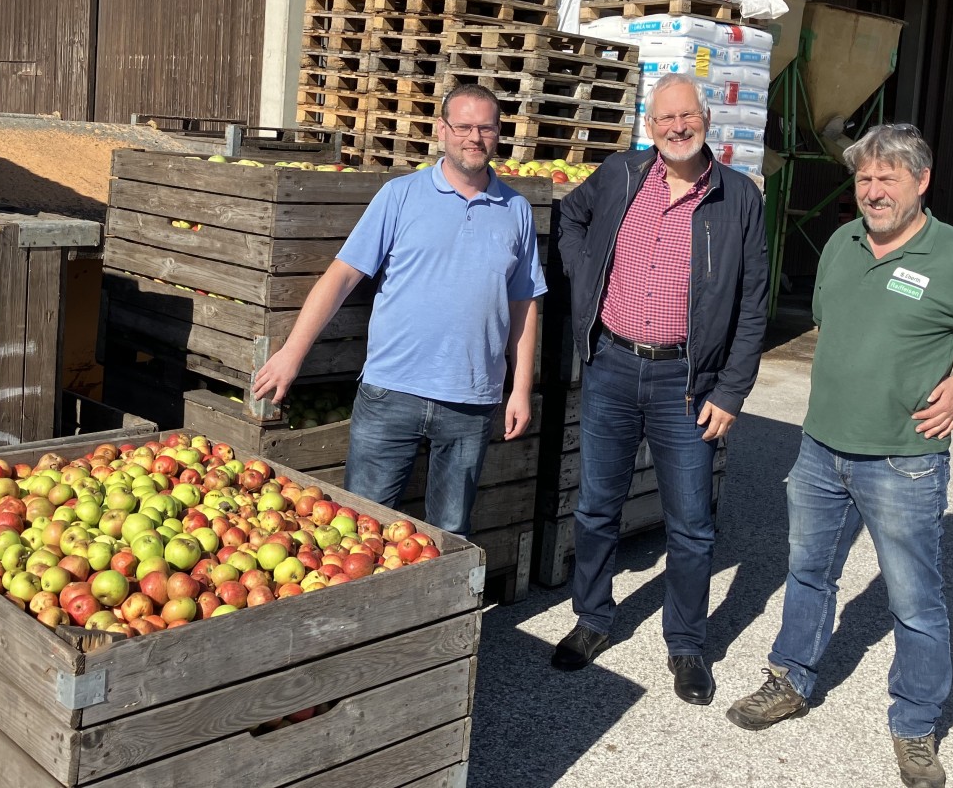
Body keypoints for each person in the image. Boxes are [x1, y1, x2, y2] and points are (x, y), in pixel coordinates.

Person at [725, 124, 953, 788]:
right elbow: (830, 318)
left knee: (915, 598)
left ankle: (915, 725)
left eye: (889, 178)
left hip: (903, 462)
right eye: (866, 179)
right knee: (808, 572)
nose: (875, 191)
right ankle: (790, 679)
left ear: (921, 181)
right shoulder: (843, 244)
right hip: (821, 446)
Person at [551, 72, 769, 706]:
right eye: (664, 119)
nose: (677, 128)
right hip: (612, 367)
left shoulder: (737, 198)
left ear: (706, 120)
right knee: (596, 506)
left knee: (692, 524)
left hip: (688, 381)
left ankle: (687, 643)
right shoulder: (622, 175)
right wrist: (582, 268)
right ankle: (592, 618)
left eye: (688, 117)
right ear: (649, 127)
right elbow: (570, 216)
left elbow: (753, 304)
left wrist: (731, 390)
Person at [251, 84, 546, 535]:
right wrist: (293, 353)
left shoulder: (516, 210)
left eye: (485, 127)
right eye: (463, 126)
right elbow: (341, 278)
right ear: (442, 130)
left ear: (498, 132)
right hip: (392, 391)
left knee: (449, 533)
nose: (475, 137)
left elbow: (523, 307)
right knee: (362, 531)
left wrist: (520, 388)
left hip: (472, 399)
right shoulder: (400, 196)